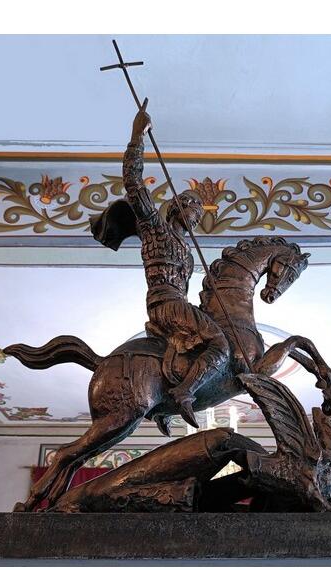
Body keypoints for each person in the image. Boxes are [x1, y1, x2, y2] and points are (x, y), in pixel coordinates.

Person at [90, 103, 229, 430]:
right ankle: (184, 392)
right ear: (177, 206)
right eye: (193, 207)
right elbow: (133, 182)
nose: (197, 215)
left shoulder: (187, 253)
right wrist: (137, 136)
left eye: (199, 212)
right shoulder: (155, 228)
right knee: (220, 345)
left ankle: (164, 403)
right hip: (165, 303)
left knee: (199, 346)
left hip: (176, 305)